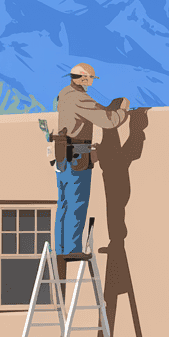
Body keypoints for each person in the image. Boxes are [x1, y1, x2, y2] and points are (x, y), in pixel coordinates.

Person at [52, 62, 129, 263]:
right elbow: (108, 121)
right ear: (84, 78)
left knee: (64, 204)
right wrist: (123, 110)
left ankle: (61, 249)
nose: (91, 83)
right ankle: (71, 249)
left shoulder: (65, 93)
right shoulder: (79, 98)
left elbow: (93, 110)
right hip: (76, 158)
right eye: (90, 79)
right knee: (77, 203)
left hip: (63, 157)